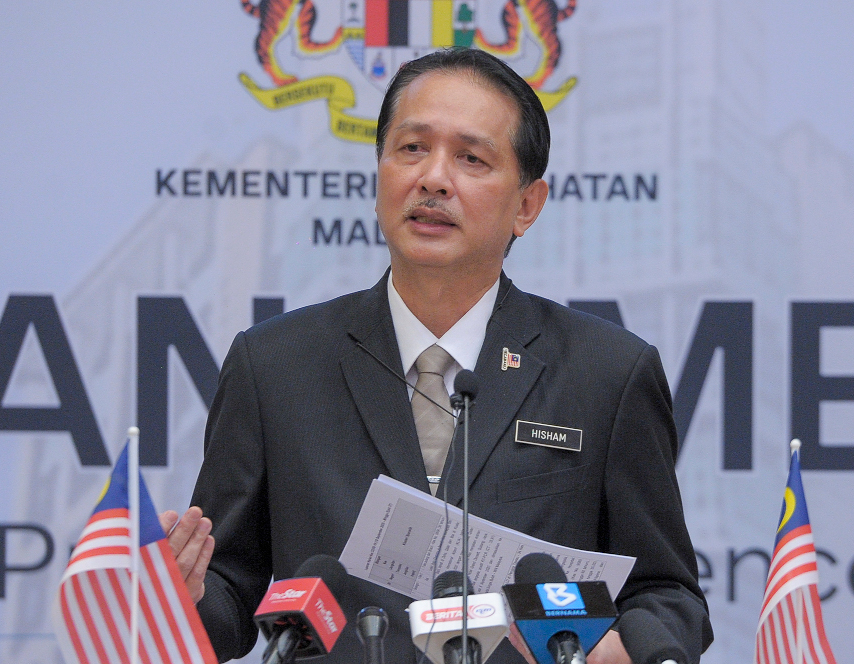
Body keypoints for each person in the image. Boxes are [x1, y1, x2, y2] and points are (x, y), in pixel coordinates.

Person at [162, 48, 712, 663]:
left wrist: (632, 650)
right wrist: (182, 601)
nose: (433, 178)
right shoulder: (273, 366)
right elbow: (230, 590)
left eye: (471, 158)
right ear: (378, 177)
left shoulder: (606, 373)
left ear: (527, 206)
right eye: (411, 149)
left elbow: (666, 594)